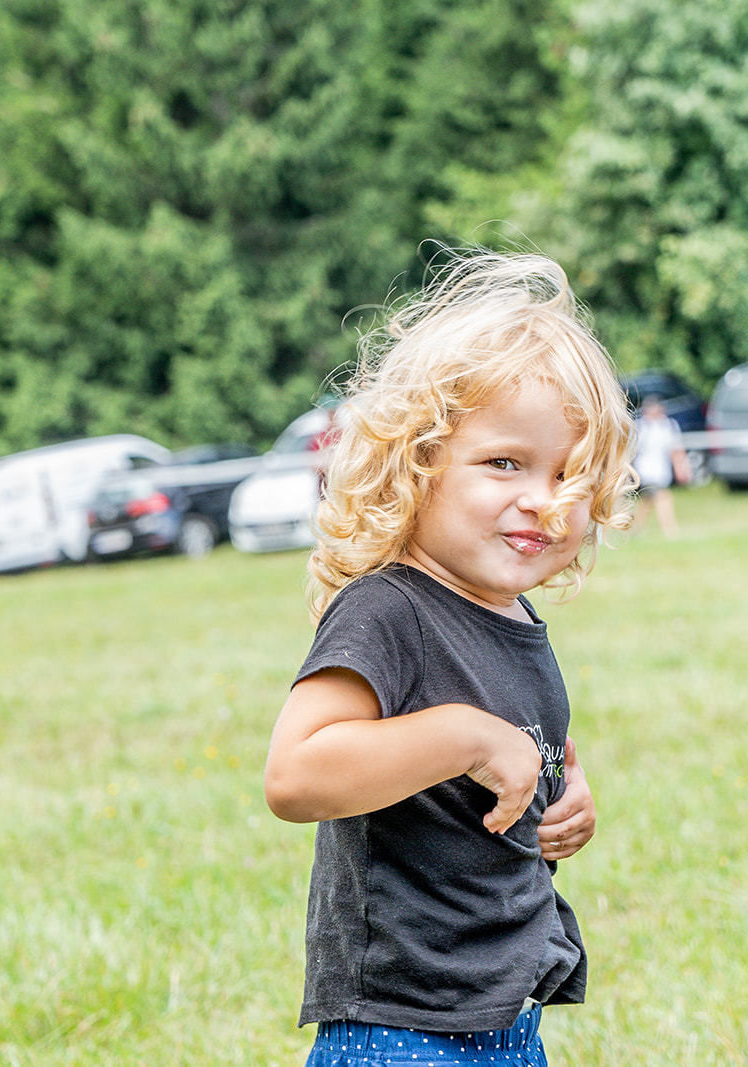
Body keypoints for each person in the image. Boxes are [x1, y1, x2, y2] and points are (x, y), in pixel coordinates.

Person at [263, 249, 637, 1066]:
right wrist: (467, 736)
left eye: (570, 474)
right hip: (399, 1029)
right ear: (417, 460)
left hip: (501, 1020)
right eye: (505, 462)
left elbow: (507, 770)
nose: (542, 498)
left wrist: (561, 801)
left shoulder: (511, 615)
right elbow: (296, 775)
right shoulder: (388, 608)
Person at [631, 396, 691, 536]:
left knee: (647, 500)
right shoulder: (641, 427)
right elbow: (633, 451)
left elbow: (675, 450)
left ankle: (636, 527)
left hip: (662, 469)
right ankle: (669, 528)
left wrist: (680, 468)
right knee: (663, 496)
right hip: (646, 469)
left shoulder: (668, 426)